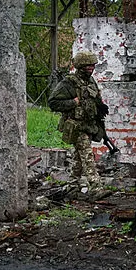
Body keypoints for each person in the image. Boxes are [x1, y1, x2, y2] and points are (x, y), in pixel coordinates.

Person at [48, 51, 110, 197]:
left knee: (78, 157)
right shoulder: (69, 82)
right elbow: (53, 103)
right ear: (80, 66)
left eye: (93, 65)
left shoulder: (91, 81)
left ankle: (72, 185)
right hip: (75, 125)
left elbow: (94, 100)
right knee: (87, 155)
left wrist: (100, 108)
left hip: (88, 124)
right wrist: (73, 102)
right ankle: (96, 187)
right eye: (88, 65)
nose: (91, 68)